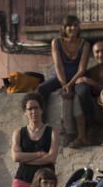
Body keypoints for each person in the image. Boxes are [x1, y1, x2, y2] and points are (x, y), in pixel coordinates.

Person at [37, 15, 92, 148]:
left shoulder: (85, 44)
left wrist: (70, 84)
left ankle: (87, 130)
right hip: (60, 77)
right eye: (69, 25)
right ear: (64, 28)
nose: (72, 28)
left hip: (76, 78)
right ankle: (40, 125)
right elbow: (58, 65)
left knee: (83, 92)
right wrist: (63, 84)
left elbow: (82, 68)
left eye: (75, 25)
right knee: (40, 90)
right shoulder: (56, 42)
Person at [10, 94, 60, 187]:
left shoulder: (52, 132)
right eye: (29, 109)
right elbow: (16, 157)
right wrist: (38, 154)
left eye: (36, 107)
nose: (33, 111)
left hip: (45, 184)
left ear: (42, 109)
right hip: (22, 181)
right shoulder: (18, 132)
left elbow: (52, 158)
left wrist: (25, 159)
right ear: (25, 112)